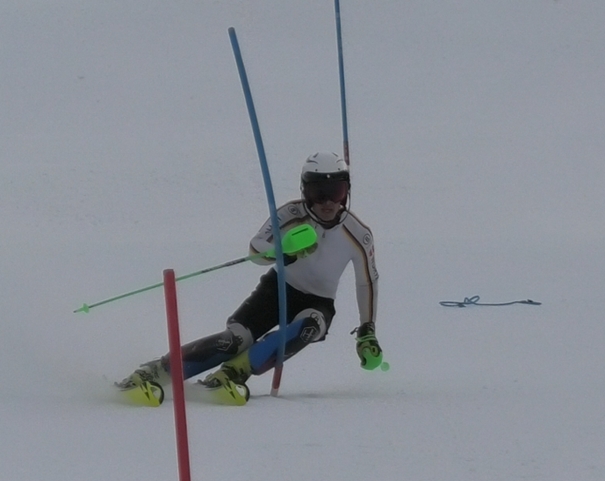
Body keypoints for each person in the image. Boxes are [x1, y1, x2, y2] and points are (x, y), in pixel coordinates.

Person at [117, 152, 381, 399]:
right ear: (305, 192)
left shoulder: (358, 234)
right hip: (277, 289)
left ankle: (231, 375)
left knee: (310, 325)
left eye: (336, 191)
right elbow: (256, 247)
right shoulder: (291, 215)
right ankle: (154, 372)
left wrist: (367, 330)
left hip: (318, 301)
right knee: (235, 340)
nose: (327, 202)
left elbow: (367, 280)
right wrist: (283, 251)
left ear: (346, 192)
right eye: (318, 193)